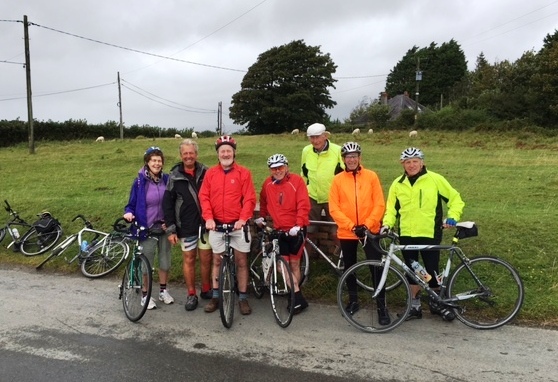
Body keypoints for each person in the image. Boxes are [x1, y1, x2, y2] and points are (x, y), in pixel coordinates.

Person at [382, 147, 465, 321]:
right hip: (407, 234)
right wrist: (387, 224)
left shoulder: (435, 179)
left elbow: (455, 198)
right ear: (402, 164)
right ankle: (414, 306)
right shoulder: (397, 184)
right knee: (412, 270)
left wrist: (453, 217)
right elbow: (391, 209)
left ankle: (437, 304)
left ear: (422, 162)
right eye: (407, 162)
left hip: (430, 233)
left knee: (432, 270)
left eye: (415, 161)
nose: (411, 165)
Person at [328, 142, 390, 325]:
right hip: (348, 231)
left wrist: (367, 224)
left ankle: (381, 306)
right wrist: (351, 226)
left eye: (355, 156)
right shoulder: (337, 180)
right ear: (343, 159)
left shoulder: (371, 176)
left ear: (360, 158)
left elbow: (379, 203)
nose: (352, 160)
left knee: (376, 268)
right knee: (349, 267)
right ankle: (353, 300)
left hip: (370, 230)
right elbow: (334, 207)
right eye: (348, 157)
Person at [199, 135, 256, 315]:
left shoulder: (243, 173)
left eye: (228, 151)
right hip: (217, 225)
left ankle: (243, 298)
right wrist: (208, 217)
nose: (225, 154)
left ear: (234, 152)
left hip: (237, 225)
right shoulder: (211, 173)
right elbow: (204, 197)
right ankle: (216, 296)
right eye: (222, 151)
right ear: (218, 154)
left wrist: (243, 218)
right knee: (217, 260)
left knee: (241, 261)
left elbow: (249, 198)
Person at [255, 153, 311, 313]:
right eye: (274, 169)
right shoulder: (267, 184)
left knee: (294, 264)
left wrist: (299, 224)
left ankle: (292, 297)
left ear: (286, 167)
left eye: (280, 167)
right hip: (280, 230)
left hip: (296, 230)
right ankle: (297, 296)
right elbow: (263, 201)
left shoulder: (296, 181)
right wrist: (262, 217)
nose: (277, 171)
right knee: (282, 265)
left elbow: (303, 204)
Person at [163, 139, 212, 312]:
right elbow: (167, 204)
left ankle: (206, 289)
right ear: (181, 155)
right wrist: (171, 228)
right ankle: (191, 294)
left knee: (207, 259)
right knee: (189, 259)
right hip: (186, 226)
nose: (188, 156)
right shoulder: (174, 176)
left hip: (206, 225)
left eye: (191, 153)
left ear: (196, 154)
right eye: (185, 153)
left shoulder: (207, 172)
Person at [123, 146, 174, 310]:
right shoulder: (139, 182)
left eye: (159, 161)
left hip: (164, 228)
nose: (157, 163)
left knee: (165, 262)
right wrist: (129, 214)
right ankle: (145, 294)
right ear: (147, 162)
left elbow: (171, 203)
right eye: (154, 160)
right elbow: (130, 205)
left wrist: (170, 220)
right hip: (146, 229)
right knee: (146, 265)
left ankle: (163, 291)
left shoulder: (166, 180)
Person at [300, 123, 344, 252]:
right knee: (309, 231)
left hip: (334, 197)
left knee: (336, 232)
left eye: (317, 137)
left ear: (325, 136)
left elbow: (346, 173)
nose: (315, 141)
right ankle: (307, 262)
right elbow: (304, 172)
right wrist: (303, 192)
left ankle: (343, 257)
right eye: (311, 137)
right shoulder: (306, 151)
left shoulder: (337, 150)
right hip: (312, 196)